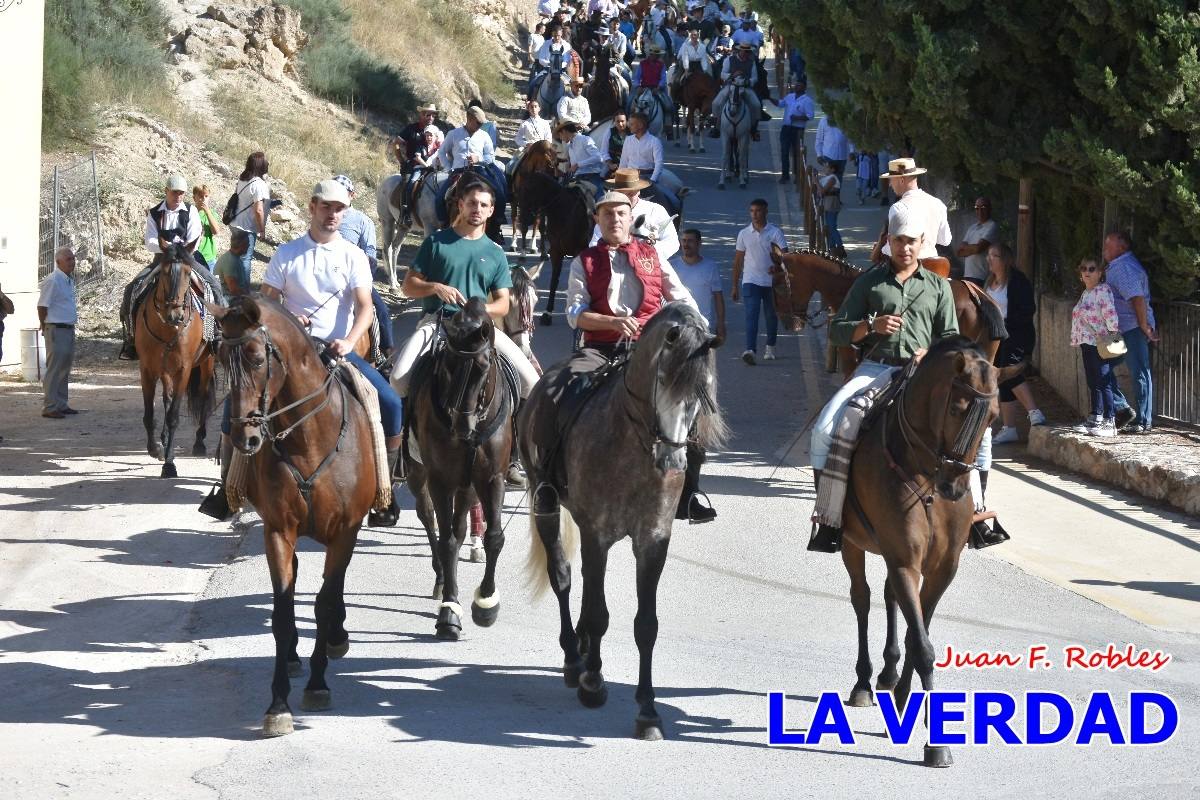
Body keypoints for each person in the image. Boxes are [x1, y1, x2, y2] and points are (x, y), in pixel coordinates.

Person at [808, 201, 960, 552]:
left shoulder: (937, 288)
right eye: (898, 241)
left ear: (922, 242)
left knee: (971, 433)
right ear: (887, 241)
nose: (905, 248)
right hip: (876, 369)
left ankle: (977, 516)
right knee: (825, 430)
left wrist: (932, 351)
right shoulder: (869, 282)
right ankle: (829, 516)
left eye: (911, 241)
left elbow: (951, 337)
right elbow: (837, 331)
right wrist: (869, 326)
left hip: (924, 373)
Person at [255, 179, 404, 526]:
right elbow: (265, 302)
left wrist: (351, 340)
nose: (332, 214)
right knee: (241, 403)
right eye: (326, 207)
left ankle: (385, 488)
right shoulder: (287, 253)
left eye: (339, 209)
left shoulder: (353, 256)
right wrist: (290, 320)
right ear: (312, 207)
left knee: (393, 404)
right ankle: (229, 487)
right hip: (291, 355)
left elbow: (366, 306)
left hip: (338, 352)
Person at [565, 192, 712, 522]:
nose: (614, 219)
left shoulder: (652, 256)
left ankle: (690, 492)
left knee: (694, 400)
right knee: (564, 389)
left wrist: (699, 325)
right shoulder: (584, 261)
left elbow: (681, 297)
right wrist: (612, 322)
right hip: (600, 347)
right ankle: (552, 475)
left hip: (652, 349)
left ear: (630, 218)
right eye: (607, 214)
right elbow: (575, 312)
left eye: (620, 213)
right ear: (597, 220)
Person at [391, 180, 540, 473]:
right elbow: (408, 286)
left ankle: (513, 457)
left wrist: (478, 308)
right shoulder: (436, 243)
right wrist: (434, 287)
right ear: (460, 204)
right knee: (398, 378)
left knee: (531, 383)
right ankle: (403, 452)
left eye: (484, 205)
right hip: (438, 323)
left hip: (481, 329)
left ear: (492, 210)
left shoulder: (495, 252)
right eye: (472, 203)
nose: (477, 209)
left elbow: (503, 303)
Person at [118, 174, 224, 360]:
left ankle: (218, 333)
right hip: (162, 259)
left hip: (188, 257)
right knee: (132, 289)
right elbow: (150, 241)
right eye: (175, 192)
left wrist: (179, 250)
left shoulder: (190, 211)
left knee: (214, 285)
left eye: (182, 193)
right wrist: (166, 248)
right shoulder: (154, 213)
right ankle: (131, 338)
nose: (179, 196)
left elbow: (195, 237)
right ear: (166, 191)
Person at [985, 243, 1045, 443]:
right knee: (1003, 380)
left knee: (1011, 372)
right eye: (989, 255)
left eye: (995, 255)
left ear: (1005, 259)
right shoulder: (989, 282)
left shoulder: (1018, 281)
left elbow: (1028, 309)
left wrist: (1008, 325)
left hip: (1017, 335)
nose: (989, 259)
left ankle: (1034, 412)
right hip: (996, 338)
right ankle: (1009, 428)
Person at [331, 174, 393, 360]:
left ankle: (386, 352)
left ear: (352, 195)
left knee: (380, 310)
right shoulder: (324, 216)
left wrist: (362, 276)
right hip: (324, 276)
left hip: (354, 278)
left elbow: (370, 253)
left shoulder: (362, 220)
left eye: (343, 193)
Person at [1103, 230, 1157, 434]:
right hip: (1121, 328)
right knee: (1102, 368)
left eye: (1109, 246)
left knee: (1139, 372)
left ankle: (1143, 421)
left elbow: (1137, 298)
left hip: (1132, 327)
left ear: (1122, 247)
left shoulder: (1124, 267)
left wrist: (1143, 326)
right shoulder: (1119, 266)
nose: (1105, 250)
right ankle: (1123, 409)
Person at [1070, 258, 1121, 437]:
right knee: (1093, 381)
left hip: (1099, 342)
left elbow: (1110, 313)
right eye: (1084, 268)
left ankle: (1110, 420)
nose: (1087, 272)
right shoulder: (1086, 293)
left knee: (1103, 379)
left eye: (1092, 269)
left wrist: (1112, 332)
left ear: (1100, 273)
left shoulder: (1102, 290)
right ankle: (1096, 416)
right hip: (1086, 342)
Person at [731, 198, 786, 365]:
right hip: (750, 281)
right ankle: (750, 350)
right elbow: (738, 261)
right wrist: (734, 285)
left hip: (771, 283)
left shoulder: (775, 233)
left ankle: (770, 346)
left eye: (758, 211)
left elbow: (786, 257)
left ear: (766, 212)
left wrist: (777, 268)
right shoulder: (744, 234)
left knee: (771, 316)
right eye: (752, 211)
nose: (754, 215)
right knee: (751, 314)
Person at [588, 168, 679, 265]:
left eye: (631, 194)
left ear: (638, 191)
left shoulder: (656, 210)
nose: (626, 198)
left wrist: (648, 253)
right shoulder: (607, 213)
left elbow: (672, 242)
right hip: (615, 266)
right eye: (621, 194)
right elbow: (594, 244)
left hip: (649, 267)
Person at [875, 158, 951, 261]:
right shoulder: (938, 203)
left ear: (901, 180)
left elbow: (891, 248)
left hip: (909, 268)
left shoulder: (898, 207)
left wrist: (880, 247)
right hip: (934, 267)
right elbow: (945, 240)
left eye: (891, 179)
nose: (889, 184)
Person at [37, 247, 78, 419]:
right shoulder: (53, 280)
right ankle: (50, 406)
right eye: (68, 259)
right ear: (58, 262)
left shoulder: (67, 280)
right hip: (56, 328)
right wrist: (44, 324)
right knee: (54, 369)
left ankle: (61, 404)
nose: (72, 262)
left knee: (64, 368)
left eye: (73, 258)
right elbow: (42, 305)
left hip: (67, 329)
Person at [669, 228, 726, 344]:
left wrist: (721, 323)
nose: (686, 244)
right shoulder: (671, 266)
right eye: (683, 241)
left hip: (702, 325)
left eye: (690, 241)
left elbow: (718, 297)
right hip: (676, 324)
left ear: (699, 244)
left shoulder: (710, 266)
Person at [618, 111, 687, 208]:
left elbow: (659, 164)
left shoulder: (654, 142)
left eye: (632, 124)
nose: (629, 126)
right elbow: (623, 161)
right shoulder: (628, 140)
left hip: (648, 176)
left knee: (672, 201)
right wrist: (619, 177)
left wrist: (652, 180)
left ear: (640, 125)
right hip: (630, 177)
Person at [229, 152, 271, 288]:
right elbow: (258, 210)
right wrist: (261, 229)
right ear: (261, 165)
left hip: (234, 222)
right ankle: (244, 290)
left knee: (235, 256)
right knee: (245, 259)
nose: (267, 163)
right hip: (247, 227)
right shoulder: (259, 184)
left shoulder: (242, 179)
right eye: (265, 161)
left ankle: (231, 285)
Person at [557, 119, 607, 197]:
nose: (561, 138)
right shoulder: (570, 146)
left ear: (564, 131)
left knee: (599, 202)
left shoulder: (585, 139)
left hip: (591, 177)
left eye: (560, 135)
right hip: (578, 179)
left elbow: (598, 157)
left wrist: (577, 165)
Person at [956, 197, 999, 283]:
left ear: (990, 209)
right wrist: (974, 249)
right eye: (977, 208)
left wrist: (969, 249)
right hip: (967, 275)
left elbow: (978, 248)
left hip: (982, 277)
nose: (979, 211)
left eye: (983, 207)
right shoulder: (972, 227)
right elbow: (959, 252)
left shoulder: (992, 226)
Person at [777, 79, 813, 182]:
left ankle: (797, 176)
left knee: (797, 153)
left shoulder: (807, 100)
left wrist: (797, 118)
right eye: (796, 85)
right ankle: (785, 175)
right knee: (784, 151)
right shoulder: (789, 97)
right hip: (786, 128)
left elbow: (810, 116)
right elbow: (780, 104)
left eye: (799, 85)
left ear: (804, 88)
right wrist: (769, 98)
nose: (796, 87)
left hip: (798, 130)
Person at [214, 229, 251, 296]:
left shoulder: (235, 258)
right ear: (241, 245)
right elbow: (233, 289)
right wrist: (251, 297)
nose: (249, 246)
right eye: (247, 243)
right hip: (229, 301)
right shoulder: (230, 262)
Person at [818, 159, 844, 256]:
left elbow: (822, 191)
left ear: (832, 169)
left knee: (832, 227)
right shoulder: (827, 178)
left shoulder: (833, 178)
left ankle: (840, 247)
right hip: (827, 204)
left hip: (832, 204)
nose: (825, 169)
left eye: (827, 167)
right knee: (829, 227)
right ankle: (832, 247)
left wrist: (816, 181)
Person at [814, 116, 850, 182]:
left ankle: (837, 192)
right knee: (829, 179)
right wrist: (819, 155)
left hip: (842, 156)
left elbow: (850, 137)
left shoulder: (845, 120)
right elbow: (819, 139)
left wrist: (852, 151)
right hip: (828, 155)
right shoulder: (823, 121)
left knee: (839, 179)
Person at [192, 185, 220, 268]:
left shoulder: (212, 213)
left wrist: (207, 212)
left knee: (209, 280)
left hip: (208, 257)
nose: (204, 199)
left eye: (206, 196)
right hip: (193, 256)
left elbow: (216, 232)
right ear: (194, 198)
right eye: (200, 196)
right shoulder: (190, 212)